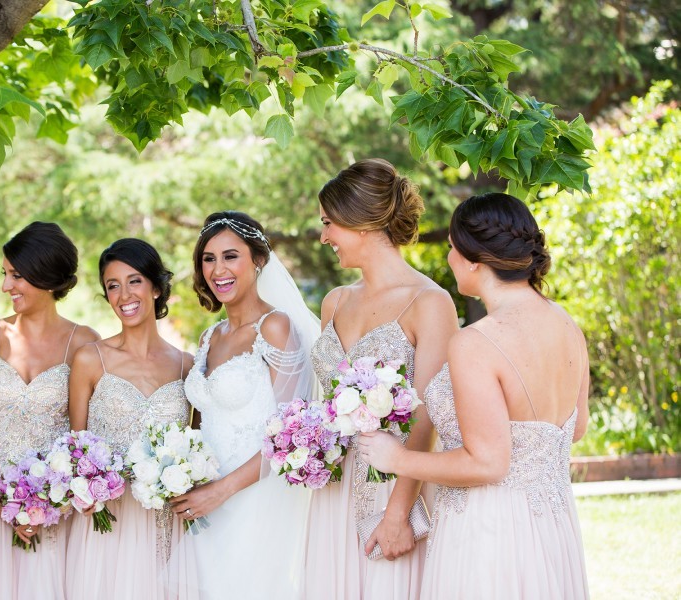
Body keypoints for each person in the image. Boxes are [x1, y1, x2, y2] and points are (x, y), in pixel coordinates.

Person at [359, 192, 590, 599]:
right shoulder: (566, 325)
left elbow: (488, 462)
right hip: (551, 526)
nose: (448, 257)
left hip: (490, 532)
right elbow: (575, 430)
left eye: (451, 247)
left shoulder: (475, 343)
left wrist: (396, 458)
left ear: (475, 261)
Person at [305, 159, 458, 599]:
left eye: (329, 223)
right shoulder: (334, 302)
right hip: (333, 490)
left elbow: (428, 417)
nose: (324, 237)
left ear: (363, 223)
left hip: (393, 485)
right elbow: (328, 401)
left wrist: (397, 514)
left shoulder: (429, 302)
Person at [169, 211, 319, 599]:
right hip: (205, 502)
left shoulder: (275, 327)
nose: (218, 269)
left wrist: (222, 490)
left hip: (254, 499)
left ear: (259, 260)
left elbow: (291, 437)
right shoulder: (209, 336)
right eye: (208, 258)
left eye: (230, 256)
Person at [0, 222, 99, 599]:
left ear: (45, 275)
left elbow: (82, 439)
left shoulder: (83, 342)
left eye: (16, 275)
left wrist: (47, 502)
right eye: (5, 274)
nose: (5, 286)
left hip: (55, 512)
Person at [65, 238, 196, 599]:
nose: (124, 295)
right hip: (108, 524)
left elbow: (197, 447)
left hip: (165, 525)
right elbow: (76, 447)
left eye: (134, 280)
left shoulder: (187, 365)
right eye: (112, 285)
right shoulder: (90, 359)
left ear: (156, 287)